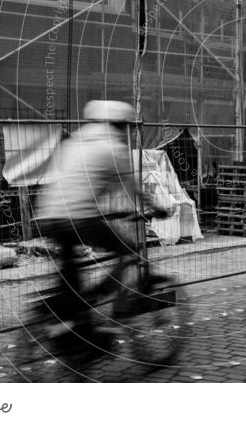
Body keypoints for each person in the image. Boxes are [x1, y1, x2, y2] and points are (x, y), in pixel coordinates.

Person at [35, 100, 168, 335]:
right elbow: (133, 189)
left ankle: (73, 319)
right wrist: (157, 208)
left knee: (70, 276)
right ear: (119, 125)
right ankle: (104, 304)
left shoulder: (73, 142)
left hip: (48, 215)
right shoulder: (113, 148)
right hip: (78, 217)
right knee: (128, 250)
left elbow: (78, 183)